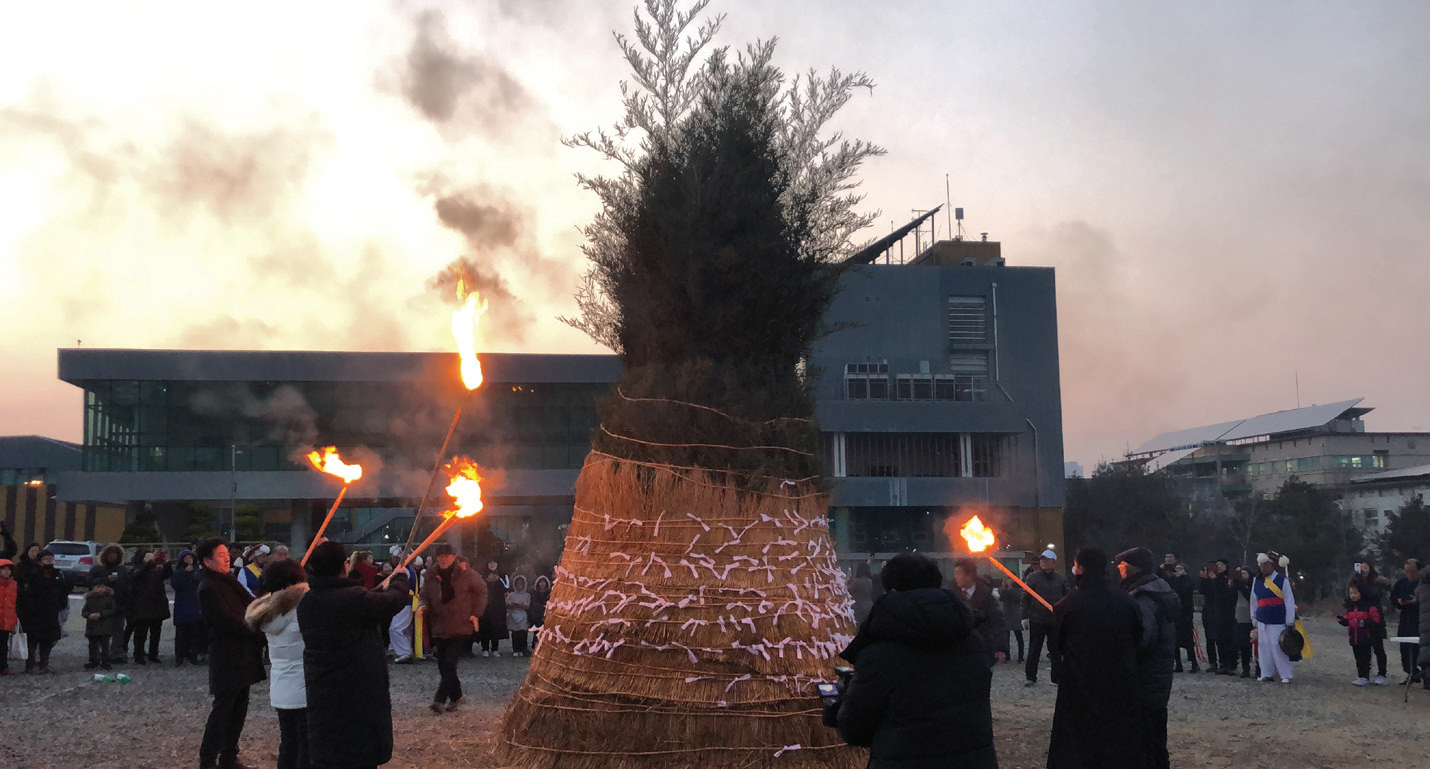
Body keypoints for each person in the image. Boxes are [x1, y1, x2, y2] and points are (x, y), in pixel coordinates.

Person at [835, 552, 997, 768]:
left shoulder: (879, 654)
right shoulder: (972, 641)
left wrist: (838, 707)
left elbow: (855, 730)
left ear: (891, 590)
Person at [301, 541, 410, 768]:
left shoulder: (307, 601)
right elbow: (393, 602)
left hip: (322, 692)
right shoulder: (353, 599)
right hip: (356, 695)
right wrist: (400, 577)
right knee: (357, 756)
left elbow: (356, 604)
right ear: (345, 564)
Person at [1047, 548, 1145, 769]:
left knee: (1078, 742)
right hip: (1119, 682)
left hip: (1080, 684)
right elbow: (1138, 637)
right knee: (1117, 739)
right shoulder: (1126, 601)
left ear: (1080, 568)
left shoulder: (1068, 604)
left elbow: (1058, 643)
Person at [196, 537, 266, 769]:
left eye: (228, 554)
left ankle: (229, 755)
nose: (227, 558)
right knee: (223, 709)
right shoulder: (208, 587)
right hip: (227, 656)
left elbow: (250, 604)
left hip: (244, 653)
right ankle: (207, 760)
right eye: (221, 555)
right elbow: (225, 620)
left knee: (239, 707)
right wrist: (254, 626)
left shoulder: (229, 581)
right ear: (207, 560)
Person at [1115, 547, 1179, 769]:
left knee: (1146, 738)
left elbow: (1143, 637)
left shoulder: (1144, 597)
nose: (1119, 570)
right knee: (1155, 735)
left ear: (1132, 568)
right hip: (1156, 678)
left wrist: (1119, 648)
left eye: (1122, 566)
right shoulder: (1159, 589)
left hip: (1145, 678)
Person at [246, 559, 310, 769]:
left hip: (281, 687)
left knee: (288, 743)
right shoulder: (300, 610)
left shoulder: (268, 611)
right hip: (304, 688)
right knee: (306, 745)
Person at [419, 543, 486, 714]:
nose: (442, 559)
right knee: (444, 666)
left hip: (461, 625)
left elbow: (482, 591)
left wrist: (476, 614)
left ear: (454, 556)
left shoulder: (467, 573)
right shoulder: (431, 575)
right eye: (440, 556)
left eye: (446, 556)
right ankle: (457, 696)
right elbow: (424, 595)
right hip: (440, 626)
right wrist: (423, 605)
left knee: (449, 663)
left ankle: (439, 700)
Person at [1023, 549, 1069, 686]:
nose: (1044, 562)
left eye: (1047, 559)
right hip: (1037, 619)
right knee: (1034, 649)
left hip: (1055, 619)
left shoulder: (1061, 579)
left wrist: (1065, 615)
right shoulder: (1032, 577)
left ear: (1054, 562)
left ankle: (1056, 677)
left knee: (1056, 650)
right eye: (1042, 559)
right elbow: (1025, 599)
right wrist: (1024, 616)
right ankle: (1030, 677)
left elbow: (1067, 597)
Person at [18, 549, 68, 674]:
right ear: (40, 561)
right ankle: (30, 664)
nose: (49, 562)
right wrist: (31, 608)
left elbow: (63, 593)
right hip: (34, 613)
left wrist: (59, 605)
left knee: (48, 639)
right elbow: (27, 594)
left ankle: (44, 663)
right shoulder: (33, 574)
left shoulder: (57, 575)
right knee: (32, 639)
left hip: (51, 613)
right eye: (46, 559)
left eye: (51, 559)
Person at [950, 559, 1007, 666]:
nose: (956, 577)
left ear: (969, 575)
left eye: (959, 573)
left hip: (982, 648)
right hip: (958, 650)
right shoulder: (951, 595)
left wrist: (1000, 647)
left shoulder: (986, 597)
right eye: (955, 573)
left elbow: (997, 623)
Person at [1250, 552, 1296, 683]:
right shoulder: (1257, 581)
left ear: (1271, 565)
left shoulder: (1282, 580)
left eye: (1265, 564)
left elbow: (1288, 600)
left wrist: (1289, 619)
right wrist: (1253, 616)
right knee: (1264, 647)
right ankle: (1266, 673)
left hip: (1278, 619)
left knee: (1278, 647)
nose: (1263, 567)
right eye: (1261, 565)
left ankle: (1285, 674)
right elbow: (1254, 601)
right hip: (1262, 618)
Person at [88, 543, 132, 664]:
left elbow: (129, 587)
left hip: (119, 604)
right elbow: (90, 583)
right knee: (100, 631)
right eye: (110, 554)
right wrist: (105, 580)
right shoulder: (97, 569)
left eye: (115, 554)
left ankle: (116, 653)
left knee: (118, 631)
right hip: (100, 605)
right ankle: (98, 654)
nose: (112, 557)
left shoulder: (123, 570)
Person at [1349, 559, 1391, 685]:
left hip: (1374, 617)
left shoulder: (1376, 582)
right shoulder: (1354, 582)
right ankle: (1364, 675)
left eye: (1365, 567)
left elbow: (1374, 596)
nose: (1363, 570)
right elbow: (1350, 597)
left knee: (1378, 647)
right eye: (1360, 567)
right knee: (1363, 649)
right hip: (1361, 617)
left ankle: (1382, 674)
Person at [131, 548, 173, 665]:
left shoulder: (157, 570)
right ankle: (138, 654)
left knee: (156, 632)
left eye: (152, 557)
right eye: (147, 557)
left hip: (157, 605)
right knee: (141, 633)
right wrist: (147, 566)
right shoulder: (138, 569)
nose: (150, 559)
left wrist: (167, 563)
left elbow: (168, 574)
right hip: (142, 606)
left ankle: (153, 654)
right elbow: (135, 577)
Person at [1337, 583, 1384, 686]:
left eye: (1355, 593)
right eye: (1351, 593)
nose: (1353, 595)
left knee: (1365, 658)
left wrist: (1363, 623)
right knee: (1358, 658)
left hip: (1365, 637)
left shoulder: (1369, 607)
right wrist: (1342, 620)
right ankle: (1361, 676)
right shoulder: (1351, 608)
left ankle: (1366, 676)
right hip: (1354, 637)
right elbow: (1347, 620)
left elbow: (1376, 621)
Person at [1199, 560, 1236, 674]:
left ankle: (1228, 664)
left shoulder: (1228, 578)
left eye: (1222, 565)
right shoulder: (1211, 578)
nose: (1219, 567)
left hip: (1225, 612)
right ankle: (1213, 662)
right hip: (1210, 610)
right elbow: (1202, 591)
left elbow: (1225, 593)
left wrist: (1215, 580)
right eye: (1217, 565)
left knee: (1225, 639)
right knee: (1211, 638)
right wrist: (1205, 579)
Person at [172, 550, 205, 666]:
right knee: (181, 634)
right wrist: (185, 573)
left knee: (195, 634)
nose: (189, 560)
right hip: (182, 606)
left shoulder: (198, 571)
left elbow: (202, 582)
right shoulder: (178, 572)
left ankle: (193, 656)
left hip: (195, 605)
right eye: (186, 558)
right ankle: (179, 657)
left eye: (191, 557)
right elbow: (175, 585)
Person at [1163, 563, 1198, 673]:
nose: (1178, 571)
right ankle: (1178, 664)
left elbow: (1187, 590)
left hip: (1186, 614)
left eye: (1180, 569)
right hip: (1176, 614)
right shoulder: (1172, 580)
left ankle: (1194, 663)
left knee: (1188, 641)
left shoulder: (1188, 580)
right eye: (1176, 569)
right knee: (1175, 642)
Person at [387, 548, 419, 665]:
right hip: (408, 601)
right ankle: (405, 650)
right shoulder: (410, 569)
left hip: (405, 601)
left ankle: (404, 652)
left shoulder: (404, 570)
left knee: (395, 628)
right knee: (404, 629)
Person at [1391, 558, 1421, 684]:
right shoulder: (1400, 583)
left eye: (1411, 565)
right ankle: (1411, 672)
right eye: (1406, 565)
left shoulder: (1423, 583)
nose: (1408, 567)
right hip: (1405, 618)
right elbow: (1393, 597)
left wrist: (1416, 601)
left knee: (1418, 649)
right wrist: (1398, 602)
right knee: (1404, 647)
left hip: (1419, 618)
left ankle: (1423, 674)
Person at [81, 580, 121, 670]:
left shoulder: (109, 598)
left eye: (102, 587)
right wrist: (89, 615)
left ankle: (106, 662)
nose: (100, 589)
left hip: (104, 626)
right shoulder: (89, 599)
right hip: (92, 626)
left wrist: (102, 614)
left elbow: (113, 610)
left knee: (105, 645)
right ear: (93, 588)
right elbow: (84, 611)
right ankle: (93, 661)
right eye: (98, 587)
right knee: (92, 645)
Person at [478, 559, 509, 657]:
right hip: (485, 606)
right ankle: (485, 649)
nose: (492, 565)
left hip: (498, 606)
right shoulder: (482, 575)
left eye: (494, 562)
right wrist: (487, 581)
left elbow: (507, 588)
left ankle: (495, 649)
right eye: (490, 562)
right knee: (485, 627)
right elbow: (479, 589)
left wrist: (498, 580)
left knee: (496, 627)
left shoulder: (503, 575)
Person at [1230, 566, 1256, 678]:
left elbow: (1250, 595)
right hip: (1240, 615)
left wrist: (1241, 586)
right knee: (1243, 644)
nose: (1242, 576)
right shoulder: (1236, 585)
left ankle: (1259, 668)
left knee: (1255, 643)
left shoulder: (1254, 584)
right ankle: (1245, 668)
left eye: (1244, 573)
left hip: (1252, 615)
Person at [999, 577, 1025, 663]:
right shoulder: (1004, 590)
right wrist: (1005, 588)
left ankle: (1021, 656)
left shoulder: (1019, 589)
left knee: (1019, 636)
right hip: (1006, 614)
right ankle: (1007, 655)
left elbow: (1018, 598)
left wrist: (1010, 588)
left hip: (1016, 615)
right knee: (1006, 637)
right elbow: (1001, 598)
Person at [507, 574, 532, 657]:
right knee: (515, 634)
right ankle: (516, 649)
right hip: (513, 615)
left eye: (521, 584)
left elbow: (528, 605)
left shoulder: (527, 595)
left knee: (523, 632)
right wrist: (512, 604)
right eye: (517, 584)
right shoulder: (511, 595)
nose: (519, 586)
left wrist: (523, 605)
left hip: (523, 616)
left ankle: (523, 648)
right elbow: (506, 604)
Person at [0, 557, 16, 676]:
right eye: (4, 569)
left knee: (4, 645)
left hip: (7, 620)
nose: (7, 572)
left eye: (8, 569)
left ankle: (3, 667)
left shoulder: (14, 585)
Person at [848, 562, 875, 627]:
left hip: (859, 607)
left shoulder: (857, 581)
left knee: (859, 626)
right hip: (869, 606)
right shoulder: (869, 581)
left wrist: (848, 582)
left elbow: (848, 590)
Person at [529, 574, 551, 651]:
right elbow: (533, 603)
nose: (542, 584)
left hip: (547, 615)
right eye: (540, 582)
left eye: (544, 582)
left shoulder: (549, 593)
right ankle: (535, 646)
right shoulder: (534, 593)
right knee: (536, 632)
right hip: (537, 615)